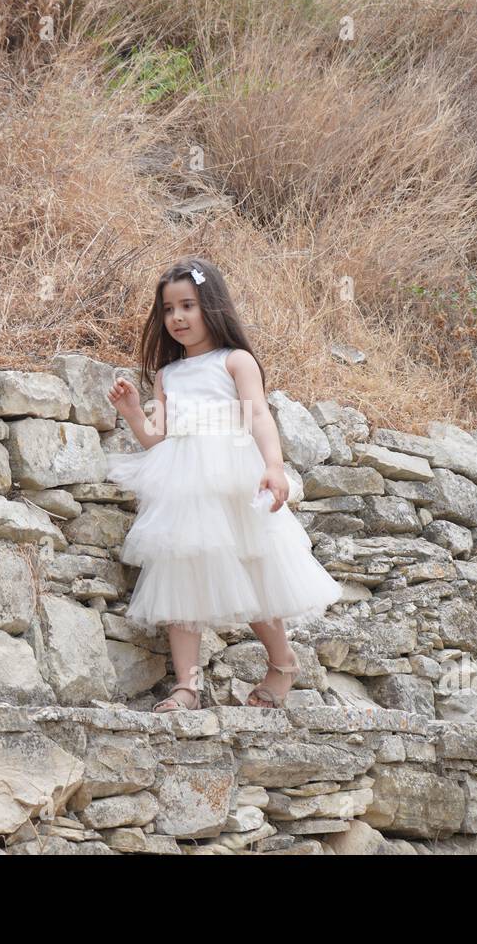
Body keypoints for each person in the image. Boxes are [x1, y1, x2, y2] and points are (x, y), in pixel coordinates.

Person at [104, 256, 344, 713]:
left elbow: (258, 416)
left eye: (188, 306)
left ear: (211, 306)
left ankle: (283, 661)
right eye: (169, 309)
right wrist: (134, 411)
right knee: (180, 578)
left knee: (253, 570)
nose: (177, 317)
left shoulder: (236, 361)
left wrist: (274, 466)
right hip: (183, 487)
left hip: (232, 478)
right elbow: (159, 439)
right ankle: (187, 687)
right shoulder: (167, 375)